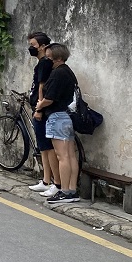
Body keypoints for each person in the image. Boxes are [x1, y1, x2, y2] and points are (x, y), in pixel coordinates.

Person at [33, 43, 81, 204]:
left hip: (57, 117)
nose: (47, 60)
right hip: (67, 117)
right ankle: (72, 189)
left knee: (62, 157)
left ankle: (64, 191)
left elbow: (50, 98)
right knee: (70, 156)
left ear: (58, 57)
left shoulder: (57, 74)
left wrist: (40, 105)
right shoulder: (68, 72)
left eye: (49, 57)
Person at [25, 32, 60, 197]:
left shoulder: (45, 64)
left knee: (48, 147)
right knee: (43, 147)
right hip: (38, 108)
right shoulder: (41, 63)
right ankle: (46, 180)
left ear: (43, 46)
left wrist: (39, 109)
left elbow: (42, 87)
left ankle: (55, 182)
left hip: (42, 110)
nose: (31, 48)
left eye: (34, 45)